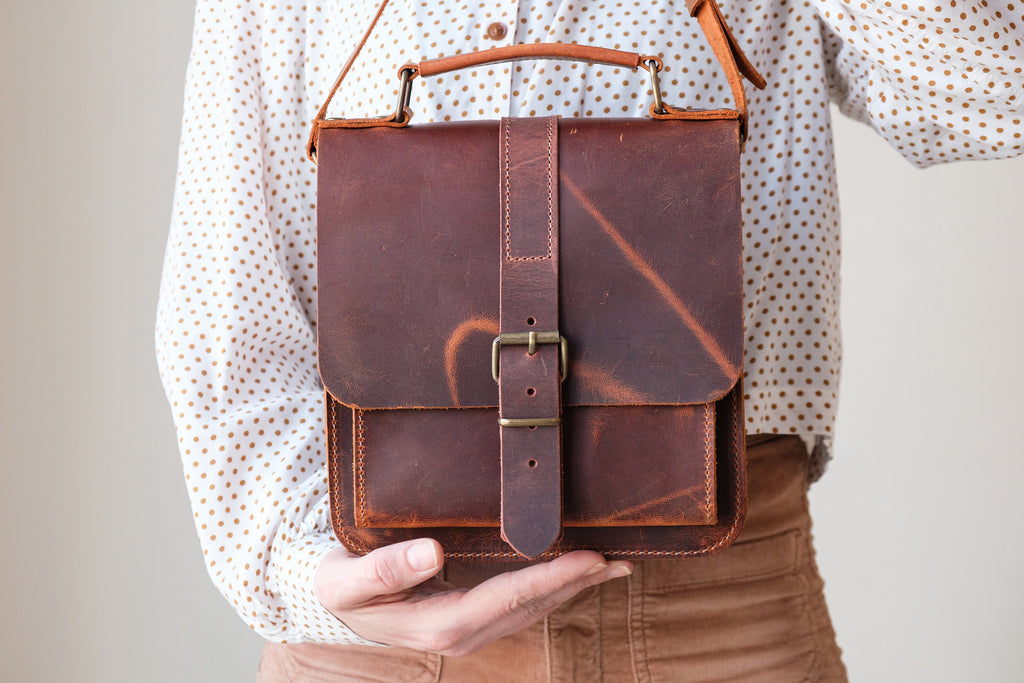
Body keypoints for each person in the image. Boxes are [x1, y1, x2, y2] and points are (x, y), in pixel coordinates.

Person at [156, 0, 1021, 679]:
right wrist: (310, 573)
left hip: (721, 580)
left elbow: (998, 94)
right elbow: (226, 280)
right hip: (381, 584)